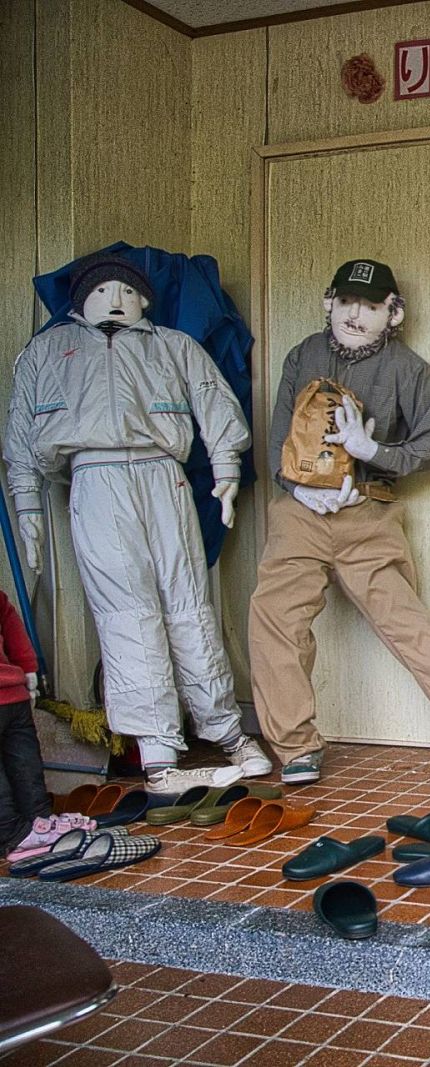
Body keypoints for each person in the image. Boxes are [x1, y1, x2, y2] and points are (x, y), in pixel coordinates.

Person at [249, 259, 430, 785]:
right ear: (328, 302)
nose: (355, 315)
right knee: (274, 620)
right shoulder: (303, 354)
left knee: (408, 625)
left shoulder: (411, 370)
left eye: (371, 306)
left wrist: (369, 449)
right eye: (346, 301)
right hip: (300, 513)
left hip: (367, 513)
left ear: (393, 314)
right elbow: (279, 436)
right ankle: (296, 748)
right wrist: (300, 488)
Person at [4, 252, 264, 793]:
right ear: (80, 302)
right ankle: (158, 752)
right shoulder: (47, 351)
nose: (115, 300)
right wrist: (27, 507)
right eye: (102, 292)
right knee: (127, 614)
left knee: (189, 604)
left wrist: (226, 467)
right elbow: (21, 433)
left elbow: (214, 401)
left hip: (163, 475)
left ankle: (226, 730)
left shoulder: (173, 345)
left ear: (145, 300)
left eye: (127, 291)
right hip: (93, 480)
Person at [0, 588, 46, 857]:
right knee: (26, 765)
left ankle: (13, 835)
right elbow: (14, 630)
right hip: (14, 695)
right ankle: (40, 824)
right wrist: (29, 670)